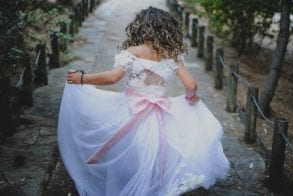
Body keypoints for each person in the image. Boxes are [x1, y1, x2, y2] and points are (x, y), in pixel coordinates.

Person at [58, 6, 229, 196]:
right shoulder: (171, 55)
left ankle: (131, 183)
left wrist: (82, 78)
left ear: (141, 27)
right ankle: (153, 184)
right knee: (157, 149)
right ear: (167, 30)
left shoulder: (133, 51)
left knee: (129, 147)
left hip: (130, 109)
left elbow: (113, 77)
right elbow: (191, 85)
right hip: (161, 113)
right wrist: (190, 98)